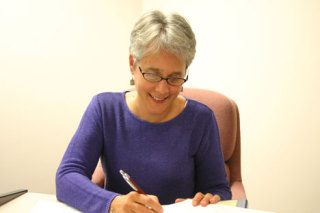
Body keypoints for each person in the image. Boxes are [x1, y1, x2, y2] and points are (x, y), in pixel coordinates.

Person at [56, 10, 231, 213]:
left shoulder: (201, 119)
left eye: (175, 77)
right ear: (133, 64)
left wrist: (210, 199)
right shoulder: (105, 109)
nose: (162, 89)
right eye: (152, 74)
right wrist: (112, 203)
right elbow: (67, 176)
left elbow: (219, 189)